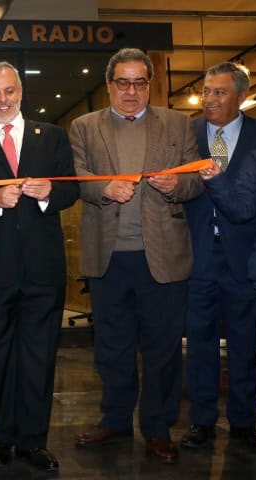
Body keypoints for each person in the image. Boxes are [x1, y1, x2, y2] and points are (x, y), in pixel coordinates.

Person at [70, 48, 204, 463]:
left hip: (162, 256)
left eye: (139, 82)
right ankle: (114, 419)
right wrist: (102, 188)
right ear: (109, 84)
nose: (131, 91)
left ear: (149, 84)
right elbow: (77, 177)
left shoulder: (178, 123)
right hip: (108, 257)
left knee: (163, 348)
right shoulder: (84, 126)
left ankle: (158, 428)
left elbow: (196, 179)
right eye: (123, 82)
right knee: (112, 346)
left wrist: (176, 186)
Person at [0, 61, 79, 472]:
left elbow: (71, 188)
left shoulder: (54, 136)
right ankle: (1, 436)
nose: (2, 100)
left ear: (21, 91)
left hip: (44, 269)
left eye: (8, 91)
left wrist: (48, 194)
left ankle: (33, 440)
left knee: (40, 356)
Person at [182, 62, 256, 451]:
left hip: (245, 257)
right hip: (197, 255)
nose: (209, 99)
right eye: (206, 91)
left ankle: (245, 423)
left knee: (246, 342)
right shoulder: (186, 134)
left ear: (242, 97)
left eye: (219, 92)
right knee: (199, 341)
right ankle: (202, 421)